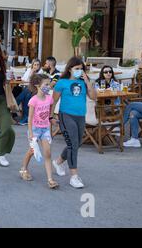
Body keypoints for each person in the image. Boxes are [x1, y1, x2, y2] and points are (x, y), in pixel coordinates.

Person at [51, 57, 97, 189]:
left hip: (80, 116)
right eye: (77, 68)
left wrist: (88, 82)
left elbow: (93, 97)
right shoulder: (62, 82)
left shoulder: (84, 83)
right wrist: (50, 117)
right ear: (70, 69)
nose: (79, 71)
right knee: (72, 144)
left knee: (77, 144)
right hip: (66, 115)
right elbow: (53, 101)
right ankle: (74, 177)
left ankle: (58, 161)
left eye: (81, 69)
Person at [19, 73, 59, 189]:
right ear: (37, 85)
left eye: (49, 84)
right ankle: (23, 169)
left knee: (48, 153)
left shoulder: (49, 98)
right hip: (35, 129)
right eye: (46, 84)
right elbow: (30, 118)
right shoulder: (33, 100)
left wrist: (51, 119)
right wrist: (31, 132)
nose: (49, 86)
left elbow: (50, 110)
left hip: (45, 129)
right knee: (32, 151)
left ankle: (50, 180)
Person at [15, 59, 43, 125]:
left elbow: (35, 82)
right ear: (32, 65)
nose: (36, 66)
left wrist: (32, 74)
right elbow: (24, 79)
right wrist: (31, 72)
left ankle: (15, 107)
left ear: (40, 66)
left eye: (38, 65)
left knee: (25, 95)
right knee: (26, 96)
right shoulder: (29, 70)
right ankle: (25, 118)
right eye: (35, 65)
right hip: (27, 88)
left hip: (35, 90)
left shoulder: (41, 72)